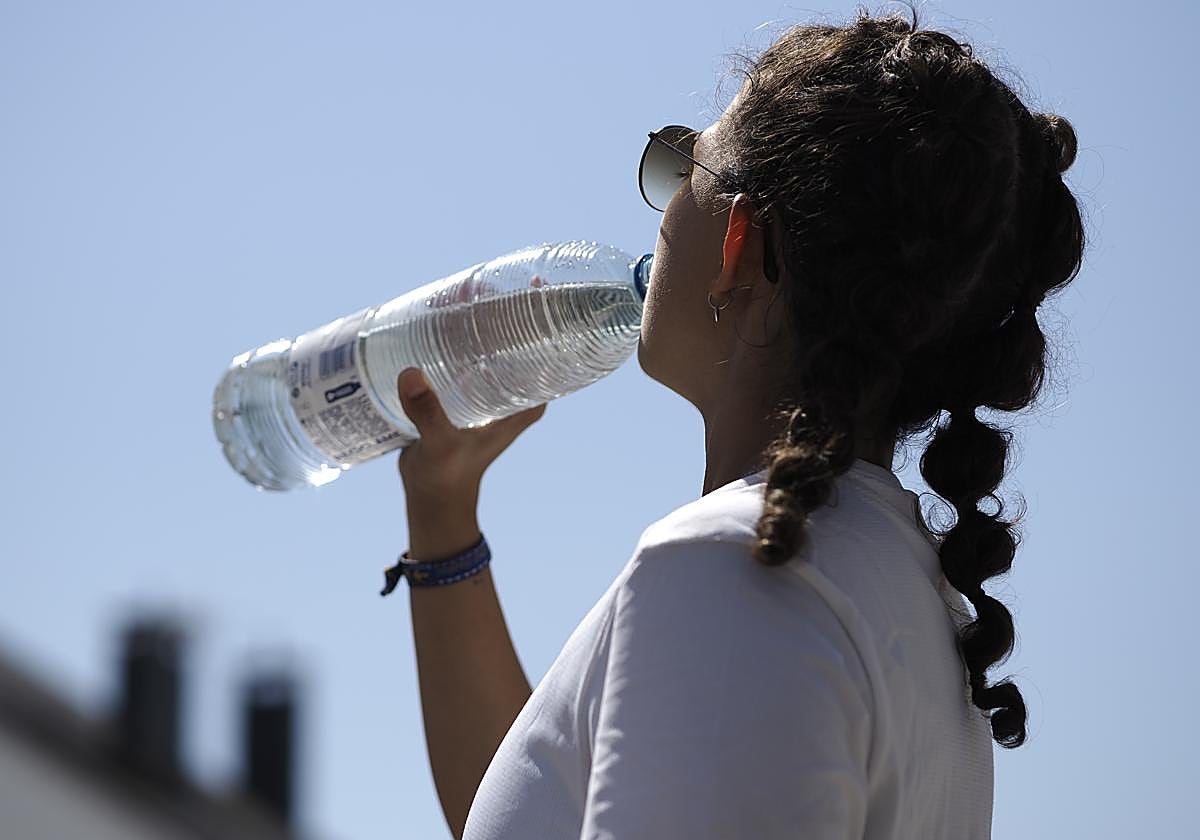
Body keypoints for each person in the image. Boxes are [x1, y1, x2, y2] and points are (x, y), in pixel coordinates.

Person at [386, 6, 1085, 839]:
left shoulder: (731, 568)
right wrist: (443, 512)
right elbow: (544, 801)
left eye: (686, 166)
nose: (662, 203)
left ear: (742, 244)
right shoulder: (916, 609)